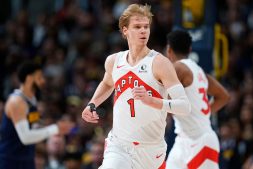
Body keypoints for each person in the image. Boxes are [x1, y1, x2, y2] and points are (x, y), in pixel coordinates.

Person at [81, 4, 191, 169]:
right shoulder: (114, 61)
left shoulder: (160, 63)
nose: (143, 31)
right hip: (119, 145)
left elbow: (184, 106)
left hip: (151, 150)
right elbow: (107, 83)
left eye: (146, 27)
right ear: (125, 30)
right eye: (137, 27)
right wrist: (92, 104)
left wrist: (153, 101)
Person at [165, 30, 230, 169]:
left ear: (168, 50)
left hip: (201, 140)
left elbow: (163, 100)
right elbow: (224, 96)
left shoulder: (178, 67)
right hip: (183, 140)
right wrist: (204, 113)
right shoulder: (199, 71)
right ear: (189, 49)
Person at [0, 62, 74, 169]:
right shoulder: (16, 102)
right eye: (39, 77)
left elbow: (34, 130)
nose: (43, 81)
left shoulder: (32, 101)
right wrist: (55, 128)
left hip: (27, 159)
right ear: (29, 78)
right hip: (11, 160)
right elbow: (25, 137)